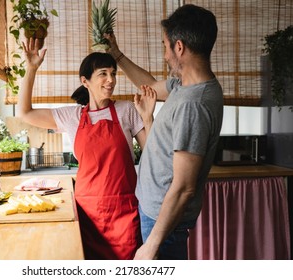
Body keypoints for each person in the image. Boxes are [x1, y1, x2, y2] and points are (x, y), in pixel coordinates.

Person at [16, 38, 155, 260]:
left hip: (124, 211)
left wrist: (148, 118)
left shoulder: (126, 110)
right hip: (87, 214)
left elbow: (153, 153)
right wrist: (31, 69)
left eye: (113, 74)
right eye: (103, 74)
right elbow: (25, 112)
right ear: (85, 81)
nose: (111, 80)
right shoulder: (71, 116)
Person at [104, 4, 224, 260]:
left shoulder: (194, 104)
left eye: (165, 46)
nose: (165, 55)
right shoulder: (186, 85)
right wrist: (117, 55)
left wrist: (152, 245)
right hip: (154, 211)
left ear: (179, 47)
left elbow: (184, 187)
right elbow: (148, 87)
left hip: (163, 222)